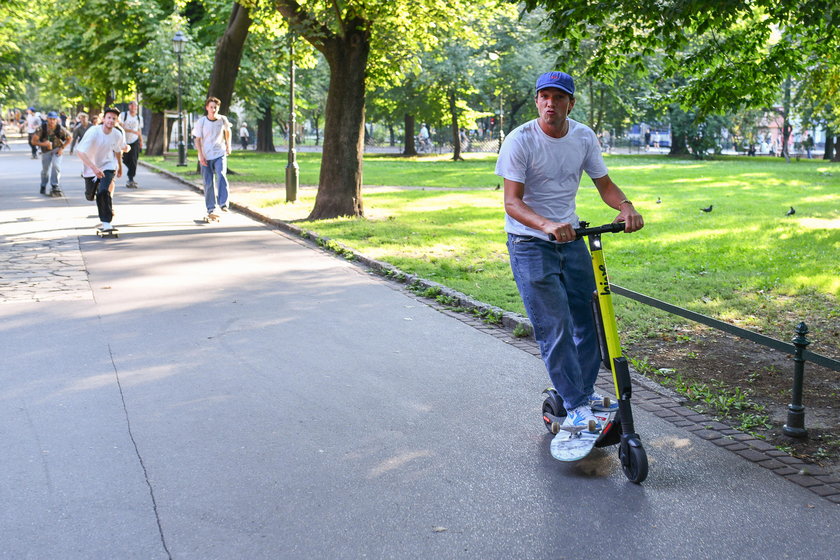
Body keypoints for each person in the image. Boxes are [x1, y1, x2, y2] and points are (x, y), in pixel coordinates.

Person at [495, 71, 644, 430]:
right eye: (544, 96)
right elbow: (512, 203)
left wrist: (625, 207)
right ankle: (576, 405)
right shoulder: (520, 141)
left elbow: (604, 184)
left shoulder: (582, 136)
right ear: (536, 102)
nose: (551, 103)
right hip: (531, 243)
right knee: (555, 325)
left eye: (559, 97)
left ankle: (582, 391)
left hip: (572, 240)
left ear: (570, 103)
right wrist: (546, 225)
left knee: (587, 320)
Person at [75, 107, 127, 232]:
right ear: (103, 119)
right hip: (90, 167)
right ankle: (92, 194)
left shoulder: (117, 134)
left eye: (114, 118)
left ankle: (106, 222)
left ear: (116, 121)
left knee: (103, 191)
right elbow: (80, 152)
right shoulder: (94, 132)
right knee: (90, 196)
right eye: (109, 117)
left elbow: (117, 151)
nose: (111, 120)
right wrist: (94, 168)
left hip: (108, 166)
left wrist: (119, 167)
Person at [192, 96, 232, 220]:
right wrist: (201, 155)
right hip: (205, 156)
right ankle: (211, 208)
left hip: (219, 153)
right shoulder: (202, 122)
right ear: (207, 108)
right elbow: (197, 139)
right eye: (211, 107)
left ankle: (223, 203)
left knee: (221, 175)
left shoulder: (223, 120)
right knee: (208, 182)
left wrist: (228, 145)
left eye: (215, 107)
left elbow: (228, 131)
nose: (213, 109)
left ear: (218, 108)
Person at [31, 111, 72, 197]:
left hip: (57, 150)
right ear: (47, 119)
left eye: (54, 119)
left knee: (56, 165)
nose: (52, 121)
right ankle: (43, 184)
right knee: (45, 170)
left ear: (56, 119)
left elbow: (69, 138)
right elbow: (33, 141)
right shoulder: (42, 128)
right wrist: (43, 144)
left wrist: (62, 148)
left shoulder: (60, 128)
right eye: (50, 119)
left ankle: (55, 185)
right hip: (46, 151)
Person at [120, 101, 143, 188]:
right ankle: (130, 171)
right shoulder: (124, 115)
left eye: (135, 105)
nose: (133, 107)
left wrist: (141, 141)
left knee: (134, 160)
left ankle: (131, 178)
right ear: (129, 106)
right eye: (131, 105)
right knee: (125, 159)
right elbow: (121, 127)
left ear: (137, 107)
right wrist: (132, 131)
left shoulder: (139, 117)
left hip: (135, 141)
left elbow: (139, 130)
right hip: (124, 140)